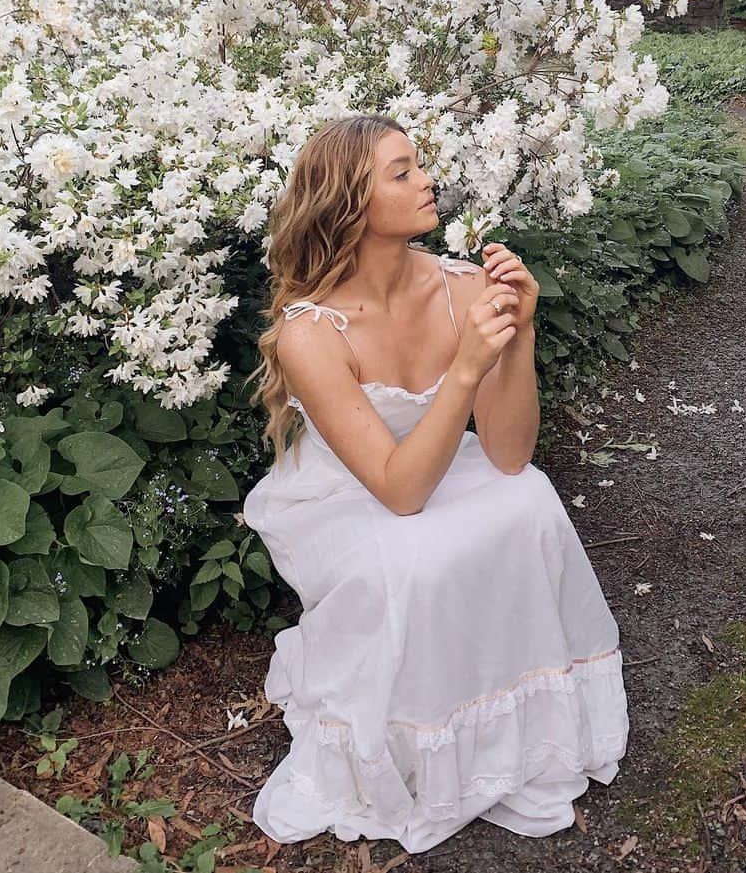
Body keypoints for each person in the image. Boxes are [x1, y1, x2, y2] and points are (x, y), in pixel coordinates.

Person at [240, 112, 629, 852]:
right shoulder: (309, 330)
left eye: (420, 165)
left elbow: (510, 452)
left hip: (439, 460)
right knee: (414, 552)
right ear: (349, 203)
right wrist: (467, 365)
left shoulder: (459, 286)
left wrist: (521, 335)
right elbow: (398, 492)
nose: (427, 180)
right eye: (402, 171)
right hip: (350, 494)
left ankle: (515, 723)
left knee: (529, 498)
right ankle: (420, 742)